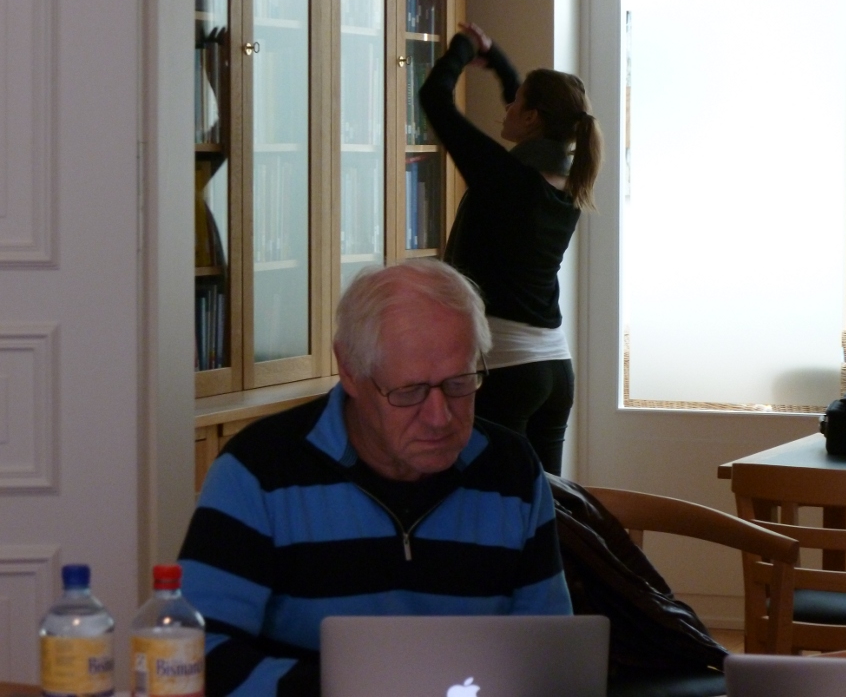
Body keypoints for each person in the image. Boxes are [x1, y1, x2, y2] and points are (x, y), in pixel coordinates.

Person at [178, 259, 572, 697]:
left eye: (459, 384)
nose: (440, 417)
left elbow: (550, 654)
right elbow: (193, 655)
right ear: (350, 370)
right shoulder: (258, 470)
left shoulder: (511, 470)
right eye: (410, 391)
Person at [419, 22, 603, 475]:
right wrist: (497, 60)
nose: (508, 107)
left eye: (516, 102)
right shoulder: (569, 185)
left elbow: (434, 98)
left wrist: (464, 47)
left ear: (534, 117)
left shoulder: (504, 178)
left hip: (506, 369)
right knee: (548, 506)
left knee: (493, 500)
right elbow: (535, 111)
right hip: (554, 368)